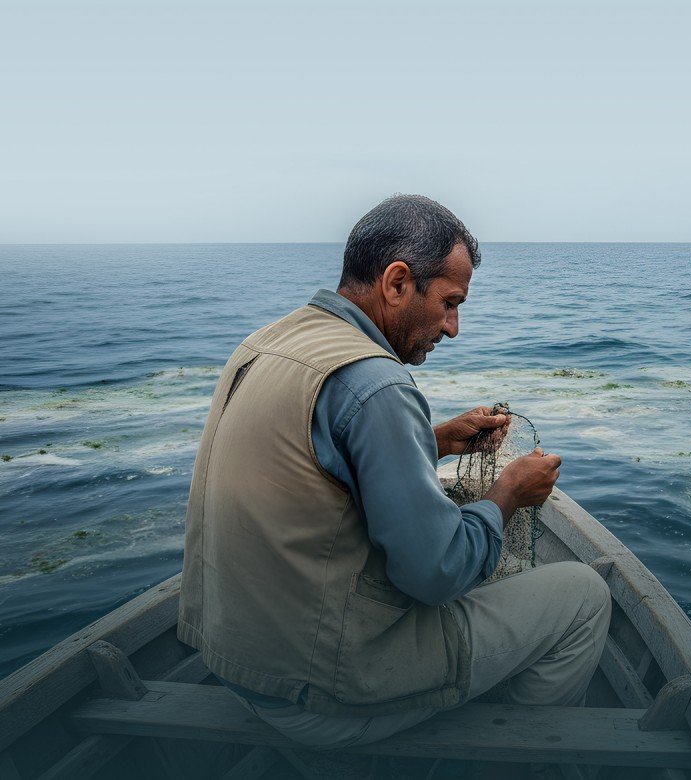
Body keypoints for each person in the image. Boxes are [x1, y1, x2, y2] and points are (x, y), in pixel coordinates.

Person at [177, 194, 612, 749]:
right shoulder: (376, 382)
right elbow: (437, 574)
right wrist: (507, 491)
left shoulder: (265, 345)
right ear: (397, 282)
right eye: (450, 302)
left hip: (237, 668)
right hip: (321, 697)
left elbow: (317, 471)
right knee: (583, 595)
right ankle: (518, 755)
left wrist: (436, 441)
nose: (454, 328)